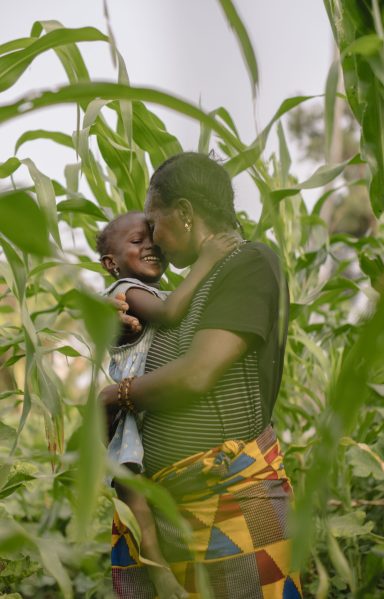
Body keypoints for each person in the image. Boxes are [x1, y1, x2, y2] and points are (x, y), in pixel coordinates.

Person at [101, 152, 302, 598]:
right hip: (168, 519)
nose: (152, 238)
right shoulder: (182, 291)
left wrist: (115, 395)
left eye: (154, 223)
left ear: (187, 214)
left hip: (236, 507)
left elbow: (197, 375)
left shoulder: (250, 263)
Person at [97, 210, 237, 599]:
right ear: (111, 263)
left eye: (153, 239)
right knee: (132, 490)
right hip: (132, 408)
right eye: (137, 242)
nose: (150, 247)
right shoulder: (126, 290)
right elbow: (172, 312)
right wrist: (208, 261)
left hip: (145, 405)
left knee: (137, 487)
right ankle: (157, 569)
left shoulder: (151, 289)